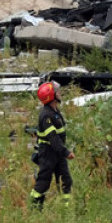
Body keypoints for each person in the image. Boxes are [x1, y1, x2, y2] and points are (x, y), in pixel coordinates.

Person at [29, 81, 73, 209]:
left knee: (66, 180)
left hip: (57, 153)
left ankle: (66, 209)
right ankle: (34, 207)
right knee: (43, 182)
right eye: (57, 92)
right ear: (51, 97)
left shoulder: (55, 111)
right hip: (48, 153)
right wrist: (66, 152)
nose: (60, 93)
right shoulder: (46, 116)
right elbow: (53, 139)